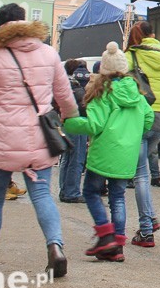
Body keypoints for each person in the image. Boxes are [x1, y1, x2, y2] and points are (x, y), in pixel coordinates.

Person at [0, 3, 79, 278]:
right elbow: (65, 95)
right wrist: (68, 118)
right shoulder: (48, 53)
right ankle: (55, 248)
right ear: (24, 22)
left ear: (0, 25)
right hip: (38, 135)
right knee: (41, 195)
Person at [65, 43, 153, 262]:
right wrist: (133, 134)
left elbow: (94, 125)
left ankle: (105, 235)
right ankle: (118, 246)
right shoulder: (137, 94)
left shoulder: (102, 92)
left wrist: (69, 123)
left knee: (91, 192)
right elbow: (149, 119)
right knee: (118, 197)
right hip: (126, 154)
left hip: (104, 152)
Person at [125, 21, 160, 246]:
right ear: (154, 34)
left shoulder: (132, 55)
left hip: (139, 117)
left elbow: (119, 84)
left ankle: (147, 229)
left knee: (139, 175)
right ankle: (151, 218)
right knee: (144, 171)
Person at [58, 59, 91, 203]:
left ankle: (64, 189)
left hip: (66, 123)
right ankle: (72, 192)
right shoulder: (78, 87)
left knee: (66, 159)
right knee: (77, 159)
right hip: (78, 124)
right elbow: (83, 107)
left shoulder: (63, 84)